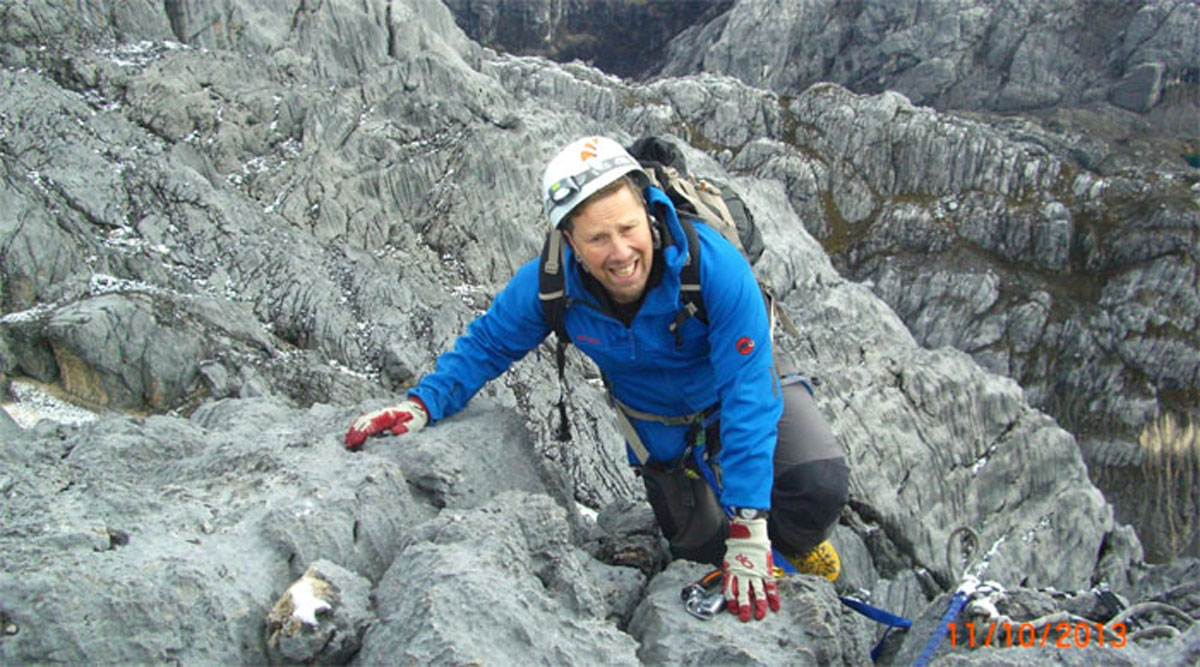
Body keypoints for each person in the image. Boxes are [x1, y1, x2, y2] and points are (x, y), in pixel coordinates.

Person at [345, 136, 849, 623]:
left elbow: (749, 393)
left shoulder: (712, 266)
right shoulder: (551, 282)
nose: (620, 252)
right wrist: (422, 404)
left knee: (816, 483)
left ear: (649, 214)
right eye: (597, 239)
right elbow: (488, 343)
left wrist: (751, 529)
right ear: (570, 240)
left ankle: (797, 548)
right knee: (697, 551)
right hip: (658, 426)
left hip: (742, 384)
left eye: (628, 228)